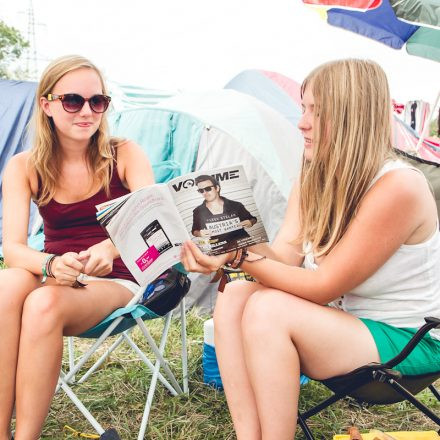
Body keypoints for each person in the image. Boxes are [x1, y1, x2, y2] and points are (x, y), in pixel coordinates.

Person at [181, 59, 440, 440]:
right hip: (344, 329)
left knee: (269, 308)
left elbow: (324, 286)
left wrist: (241, 258)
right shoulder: (315, 173)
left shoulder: (399, 187)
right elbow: (285, 255)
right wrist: (225, 244)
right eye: (303, 108)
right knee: (235, 294)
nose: (301, 122)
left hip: (407, 343)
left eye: (317, 112)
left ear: (354, 117)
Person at [0, 55, 154, 440]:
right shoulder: (25, 166)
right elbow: (13, 249)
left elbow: (156, 223)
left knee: (42, 303)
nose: (87, 111)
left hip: (121, 276)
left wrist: (110, 248)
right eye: (73, 101)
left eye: (97, 101)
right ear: (47, 104)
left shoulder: (124, 154)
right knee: (7, 287)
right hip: (62, 272)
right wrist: (51, 264)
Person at [191, 174, 257, 252]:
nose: (204, 193)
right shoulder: (198, 211)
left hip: (245, 246)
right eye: (201, 190)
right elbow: (194, 231)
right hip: (222, 251)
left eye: (208, 189)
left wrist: (250, 222)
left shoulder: (236, 205)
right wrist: (200, 234)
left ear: (217, 188)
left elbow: (253, 219)